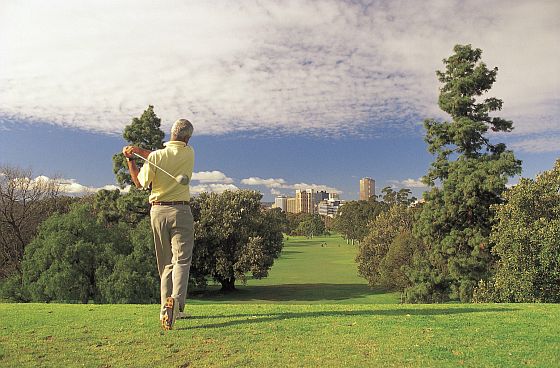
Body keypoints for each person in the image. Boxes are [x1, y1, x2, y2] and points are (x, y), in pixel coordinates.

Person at [122, 118, 195, 330]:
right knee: (181, 261)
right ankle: (176, 306)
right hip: (182, 211)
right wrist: (139, 151)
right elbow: (156, 156)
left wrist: (131, 159)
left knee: (165, 265)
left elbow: (139, 183)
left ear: (171, 133)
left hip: (158, 211)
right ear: (187, 138)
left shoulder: (156, 157)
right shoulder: (190, 153)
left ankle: (166, 311)